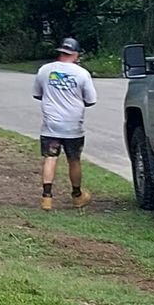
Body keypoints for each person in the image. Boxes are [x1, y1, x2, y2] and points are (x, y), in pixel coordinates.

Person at [34, 35, 97, 210]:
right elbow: (91, 100)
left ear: (61, 52)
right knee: (74, 160)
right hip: (73, 126)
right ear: (75, 54)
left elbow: (37, 94)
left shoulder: (45, 70)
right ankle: (77, 196)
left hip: (51, 125)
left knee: (50, 158)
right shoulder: (82, 74)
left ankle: (47, 198)